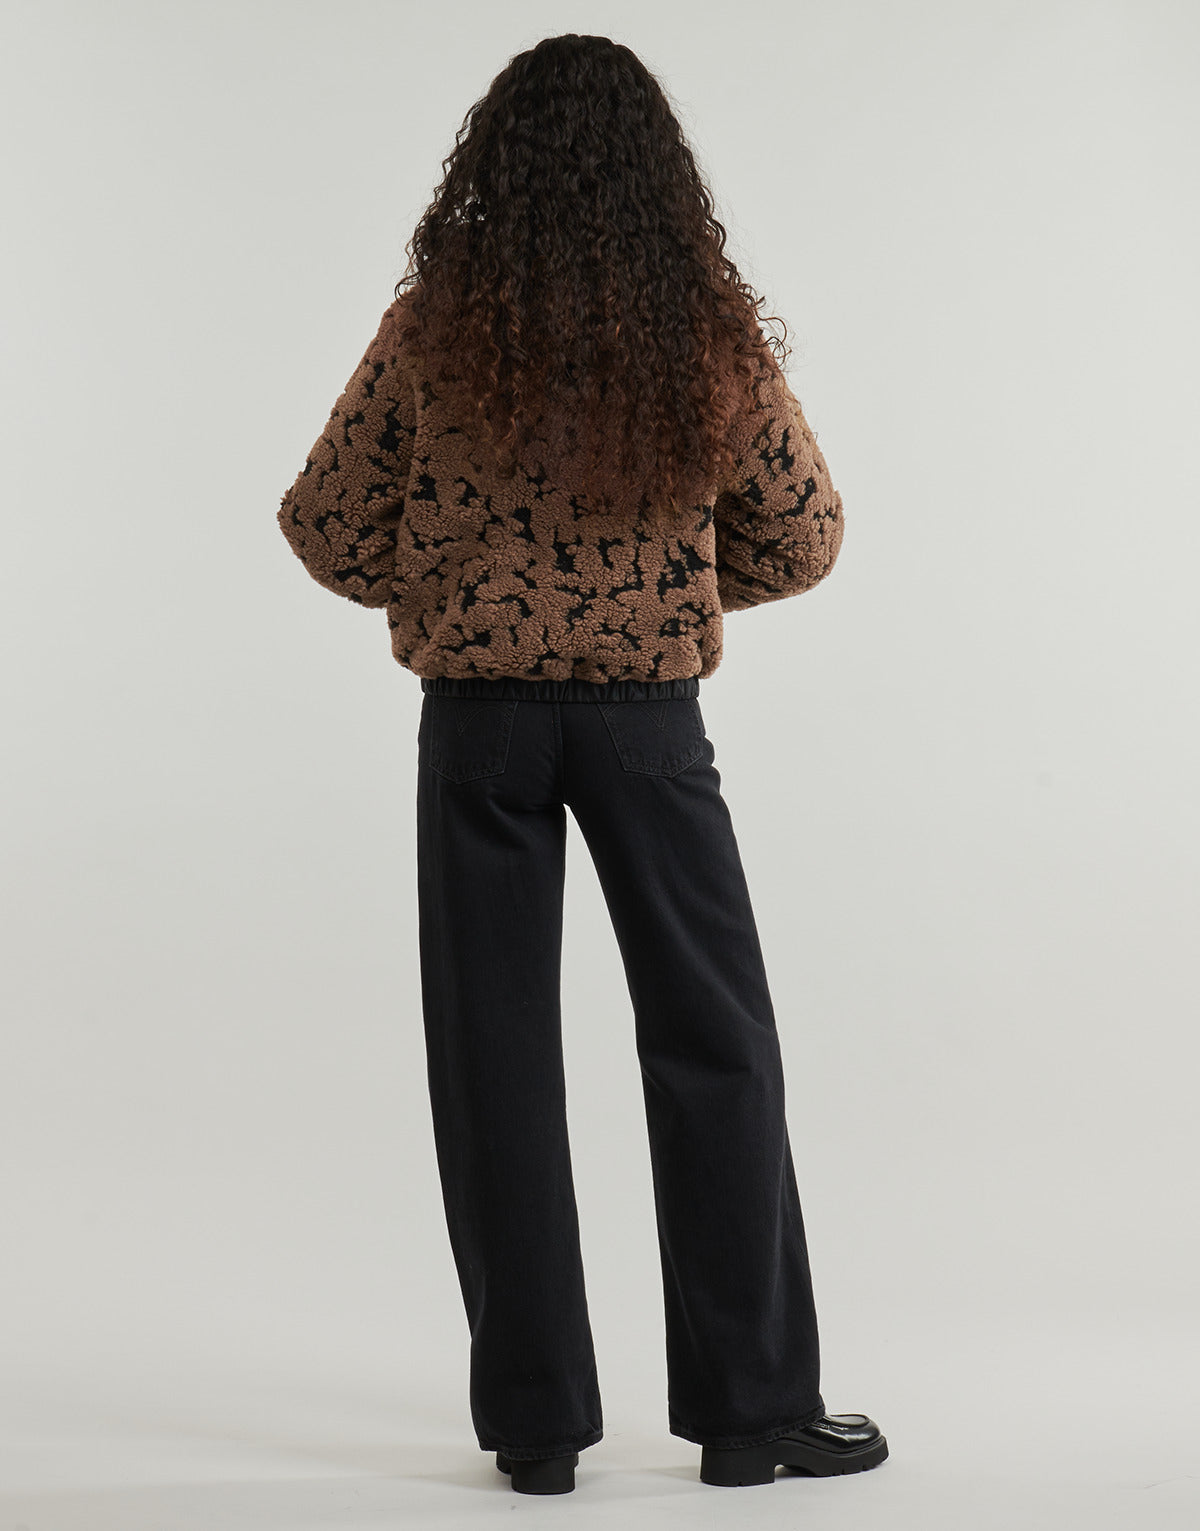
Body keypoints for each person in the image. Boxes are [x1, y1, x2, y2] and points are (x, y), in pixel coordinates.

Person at [277, 31, 887, 1498]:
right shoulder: (701, 333)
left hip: (477, 722)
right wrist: (664, 586)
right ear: (656, 175)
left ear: (492, 165)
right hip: (648, 722)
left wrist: (459, 583)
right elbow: (805, 535)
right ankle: (752, 1414)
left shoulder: (435, 328)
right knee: (716, 1040)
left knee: (493, 1059)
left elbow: (327, 523)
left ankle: (537, 1429)